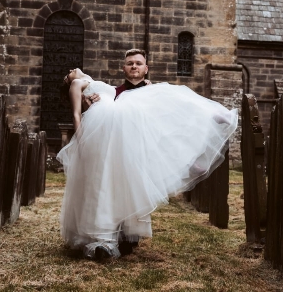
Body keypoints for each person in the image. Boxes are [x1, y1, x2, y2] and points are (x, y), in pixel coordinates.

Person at [57, 50, 238, 260]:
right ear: (123, 68)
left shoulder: (154, 91)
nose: (134, 66)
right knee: (113, 185)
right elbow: (97, 116)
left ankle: (198, 141)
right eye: (130, 63)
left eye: (138, 63)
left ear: (146, 68)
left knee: (169, 96)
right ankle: (112, 234)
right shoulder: (114, 93)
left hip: (144, 145)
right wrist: (91, 103)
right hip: (118, 147)